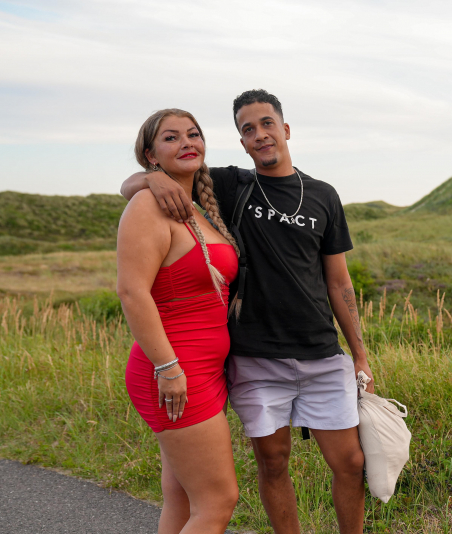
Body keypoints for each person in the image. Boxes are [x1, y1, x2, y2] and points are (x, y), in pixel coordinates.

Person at [121, 90, 374, 534]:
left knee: (351, 462)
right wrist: (150, 179)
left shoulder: (322, 196)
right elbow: (140, 185)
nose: (260, 135)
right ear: (240, 141)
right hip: (253, 356)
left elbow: (339, 282)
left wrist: (360, 353)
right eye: (247, 129)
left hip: (318, 351)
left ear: (285, 128)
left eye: (266, 124)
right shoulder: (232, 185)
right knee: (269, 464)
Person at [117, 109, 241, 534]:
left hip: (204, 369)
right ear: (151, 154)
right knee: (218, 502)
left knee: (184, 498)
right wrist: (168, 369)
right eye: (171, 138)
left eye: (193, 134)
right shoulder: (149, 205)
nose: (187, 142)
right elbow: (132, 292)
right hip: (173, 370)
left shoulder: (198, 206)